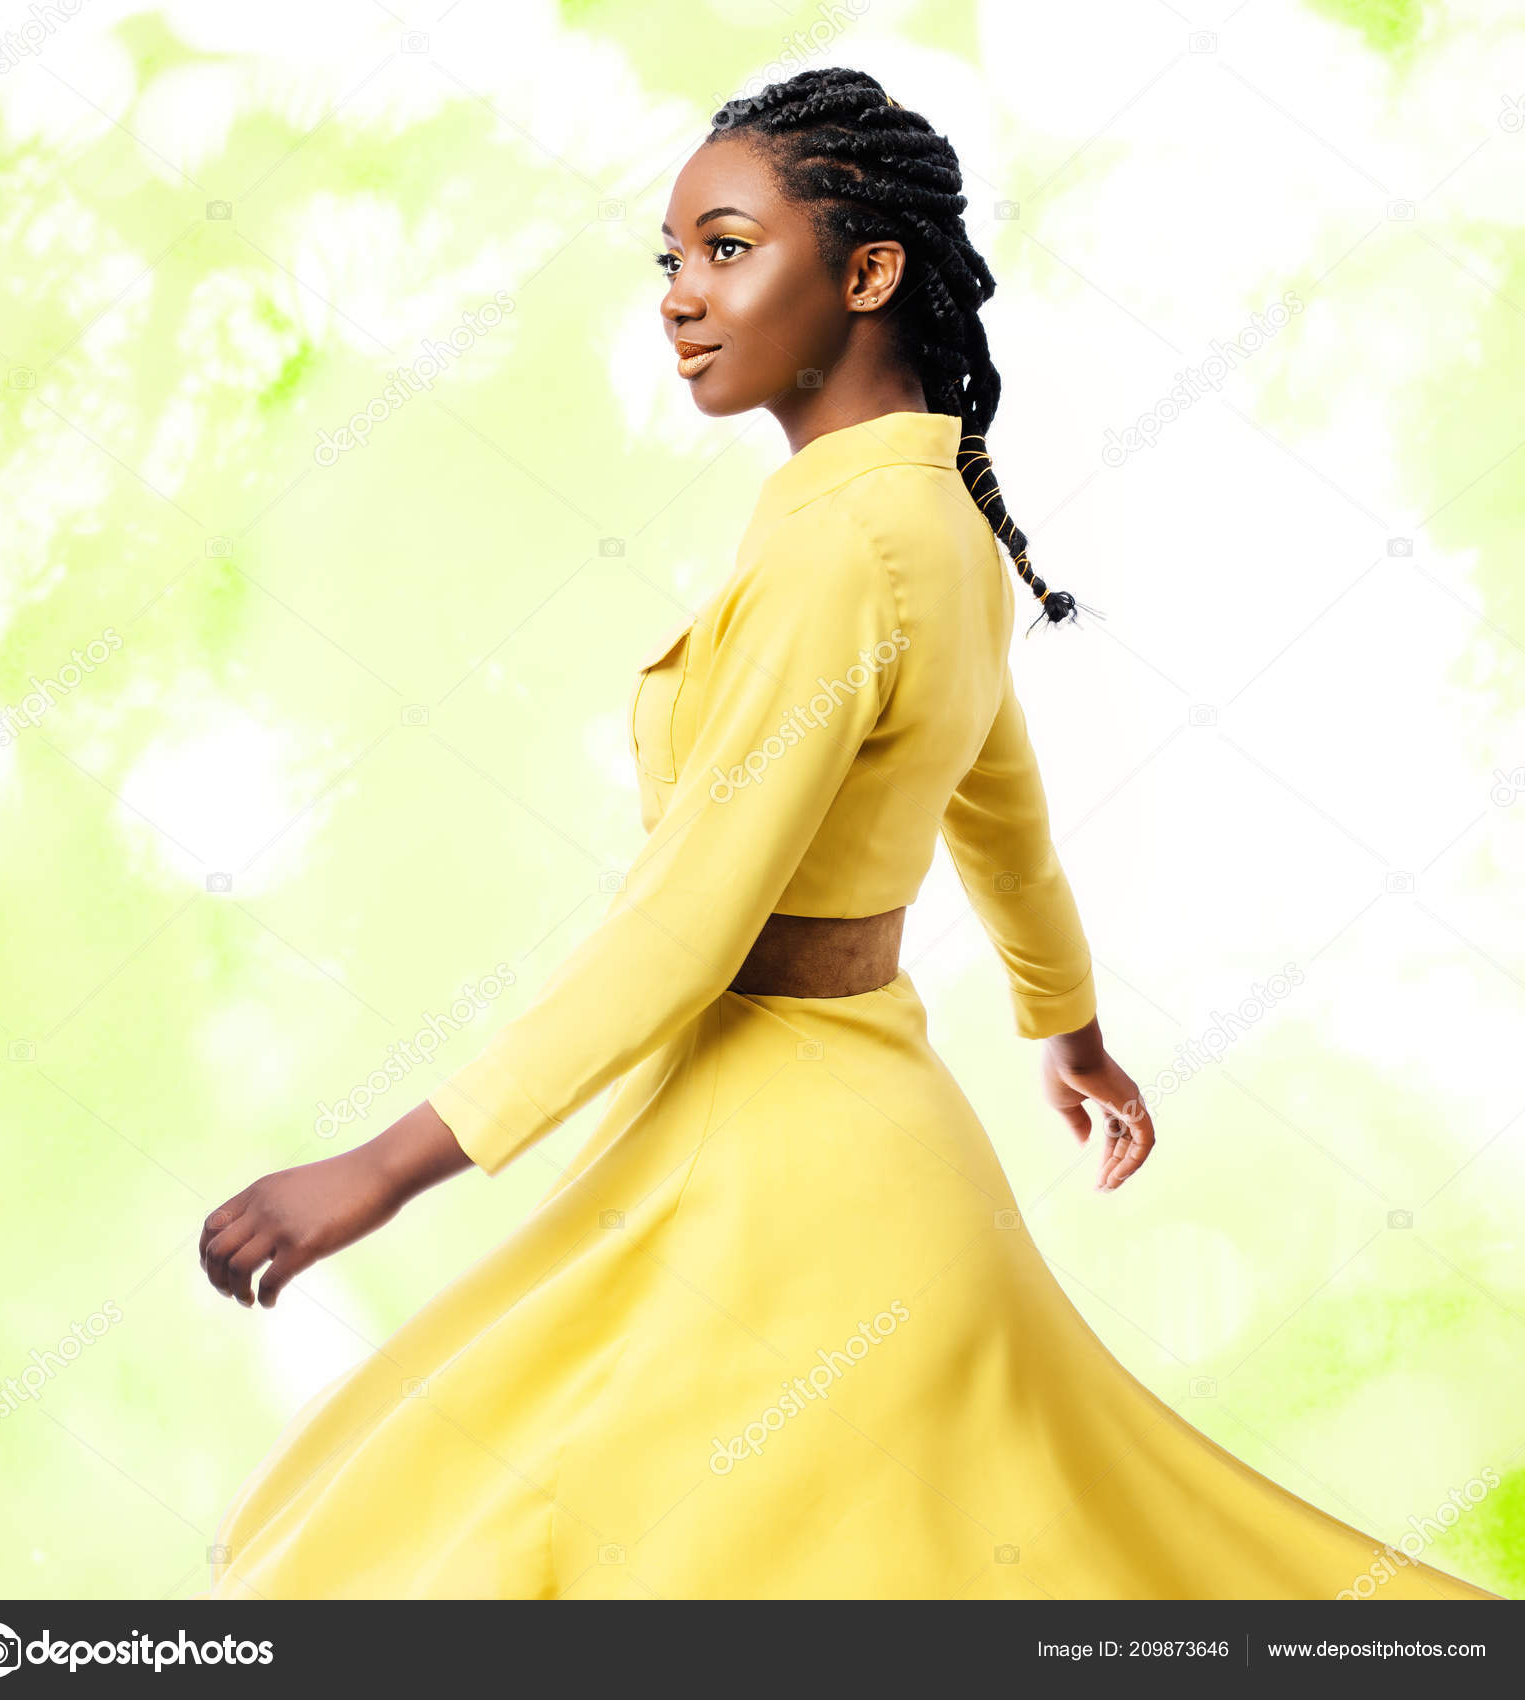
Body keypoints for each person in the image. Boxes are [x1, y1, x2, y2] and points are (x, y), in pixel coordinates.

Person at [195, 68, 1499, 1601]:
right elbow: (999, 802)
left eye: (727, 249)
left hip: (803, 1200)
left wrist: (386, 1167)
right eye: (670, 258)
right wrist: (1065, 1030)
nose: (681, 297)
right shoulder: (919, 523)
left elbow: (684, 924)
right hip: (828, 1148)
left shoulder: (841, 551)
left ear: (868, 271)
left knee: (459, 1543)